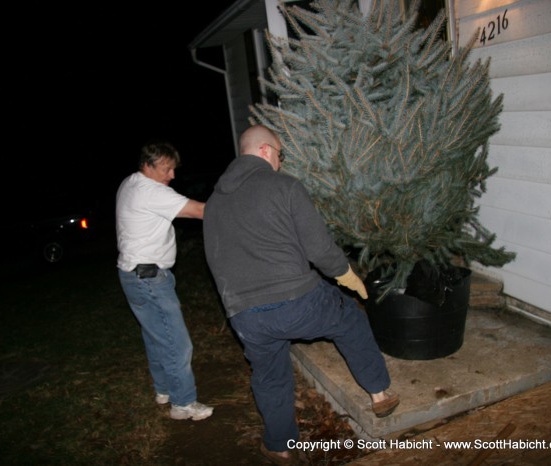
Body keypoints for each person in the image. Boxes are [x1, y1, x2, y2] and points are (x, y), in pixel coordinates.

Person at [203, 125, 398, 463]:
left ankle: (279, 445)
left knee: (269, 373)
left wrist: (237, 306)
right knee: (350, 318)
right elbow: (319, 248)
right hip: (297, 300)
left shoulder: (215, 202)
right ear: (265, 151)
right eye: (280, 153)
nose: (280, 161)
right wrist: (347, 275)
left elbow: (214, 258)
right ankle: (380, 393)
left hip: (244, 314)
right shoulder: (283, 185)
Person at [116, 141, 213, 421]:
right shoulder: (151, 191)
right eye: (166, 169)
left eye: (173, 169)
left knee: (155, 335)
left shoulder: (130, 183)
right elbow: (200, 211)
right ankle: (183, 403)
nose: (172, 175)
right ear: (147, 166)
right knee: (177, 343)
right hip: (149, 278)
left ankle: (164, 390)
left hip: (131, 274)